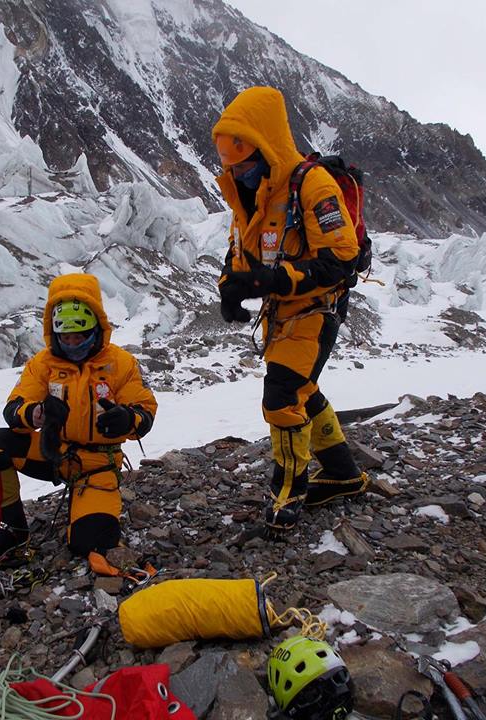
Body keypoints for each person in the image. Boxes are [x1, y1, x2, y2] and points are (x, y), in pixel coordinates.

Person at [211, 85, 367, 535]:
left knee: (282, 395)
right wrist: (231, 289)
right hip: (283, 313)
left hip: (317, 307)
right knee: (303, 389)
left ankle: (289, 490)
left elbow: (340, 259)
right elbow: (239, 249)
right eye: (230, 164)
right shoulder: (250, 192)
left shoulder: (311, 185)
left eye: (243, 161)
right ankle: (342, 474)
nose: (237, 171)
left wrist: (267, 282)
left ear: (266, 145)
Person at [0, 273, 157, 562]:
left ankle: (85, 507)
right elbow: (14, 408)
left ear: (96, 327)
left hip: (98, 466)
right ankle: (10, 527)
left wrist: (128, 420)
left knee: (90, 544)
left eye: (80, 336)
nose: (73, 343)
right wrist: (36, 413)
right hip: (53, 454)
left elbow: (145, 411)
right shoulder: (43, 364)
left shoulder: (120, 364)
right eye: (66, 337)